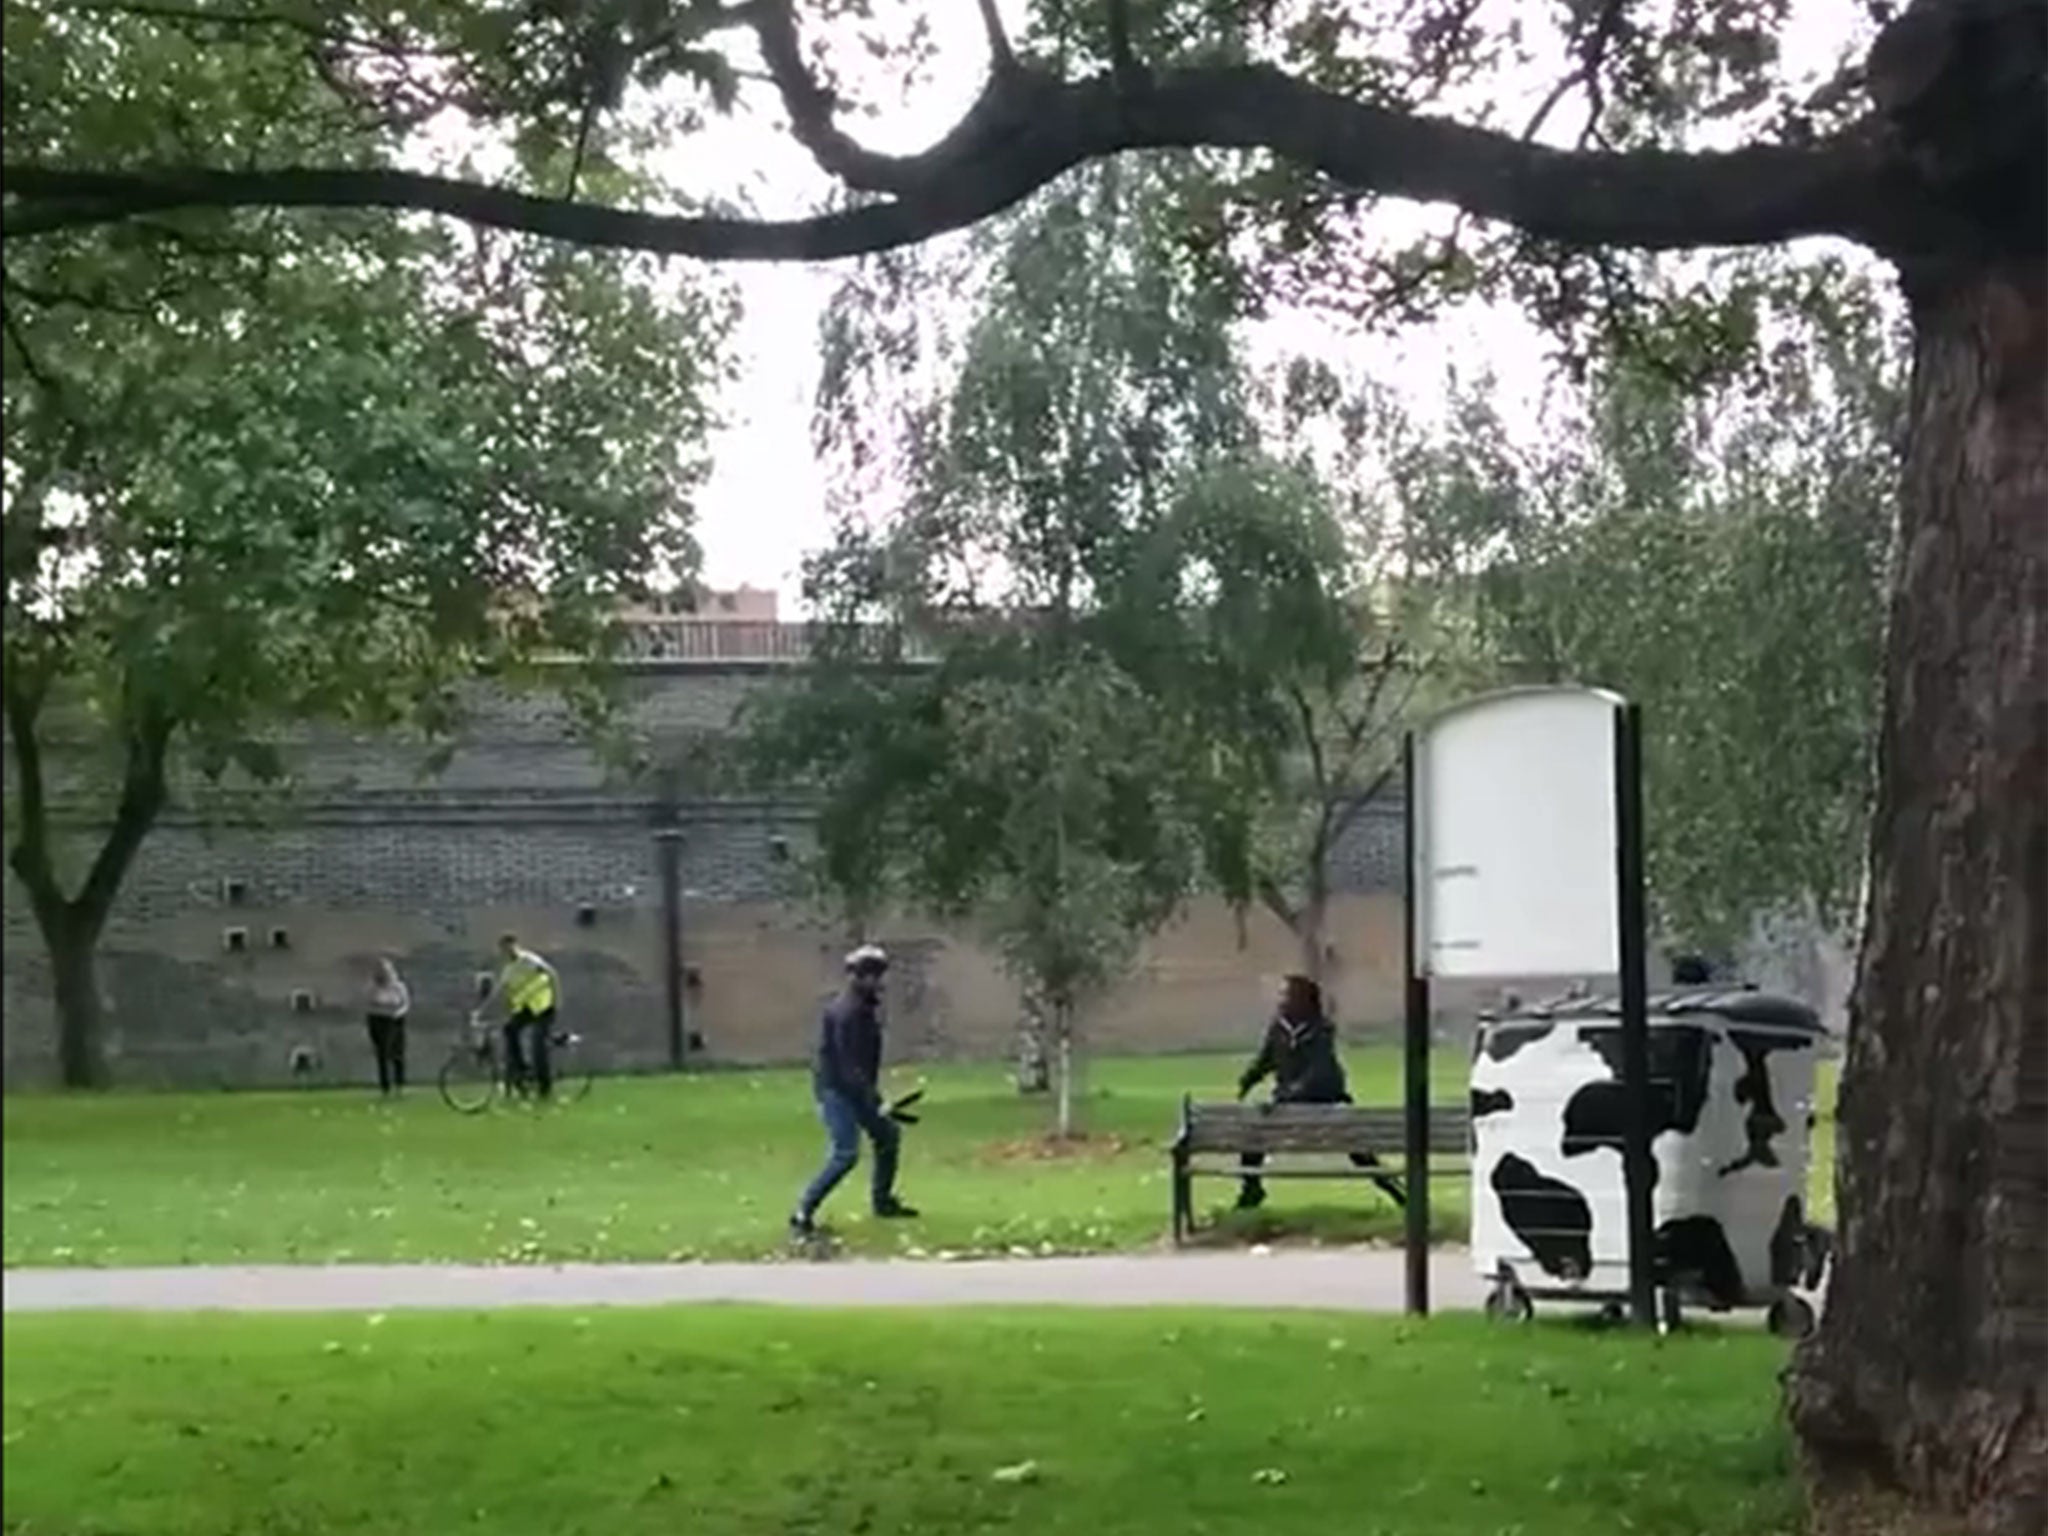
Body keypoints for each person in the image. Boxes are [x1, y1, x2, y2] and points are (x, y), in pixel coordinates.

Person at [1234, 974, 1404, 1210]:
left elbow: (1319, 1071)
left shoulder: (1321, 1029)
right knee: (1254, 1135)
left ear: (1304, 1000)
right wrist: (1249, 1079)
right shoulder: (1279, 1027)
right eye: (1282, 995)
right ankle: (1251, 1188)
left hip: (1324, 1099)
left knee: (1356, 1148)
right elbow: (1267, 1059)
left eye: (1287, 995)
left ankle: (1391, 1187)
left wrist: (1290, 1094)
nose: (1282, 1000)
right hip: (1289, 1103)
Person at [790, 944, 919, 1239]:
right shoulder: (847, 1012)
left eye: (879, 974)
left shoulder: (863, 1008)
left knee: (888, 1136)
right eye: (871, 975)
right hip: (836, 1090)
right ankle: (802, 1214)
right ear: (856, 977)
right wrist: (874, 1099)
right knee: (845, 1153)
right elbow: (849, 1065)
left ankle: (883, 1202)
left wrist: (871, 1096)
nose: (877, 981)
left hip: (853, 1088)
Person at [474, 933, 561, 1101]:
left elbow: (551, 974)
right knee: (509, 1030)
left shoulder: (529, 960)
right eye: (504, 949)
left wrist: (557, 999)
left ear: (516, 945)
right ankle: (522, 1069)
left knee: (537, 1044)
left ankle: (545, 1089)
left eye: (510, 947)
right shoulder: (509, 970)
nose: (508, 951)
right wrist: (481, 1011)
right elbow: (498, 992)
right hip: (528, 1008)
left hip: (544, 1006)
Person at [364, 956, 411, 1097]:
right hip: (379, 1020)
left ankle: (400, 1084)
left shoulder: (398, 986)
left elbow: (405, 1003)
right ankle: (385, 1086)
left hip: (395, 1019)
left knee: (398, 1052)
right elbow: (370, 1002)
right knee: (382, 1053)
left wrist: (398, 1012)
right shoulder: (372, 987)